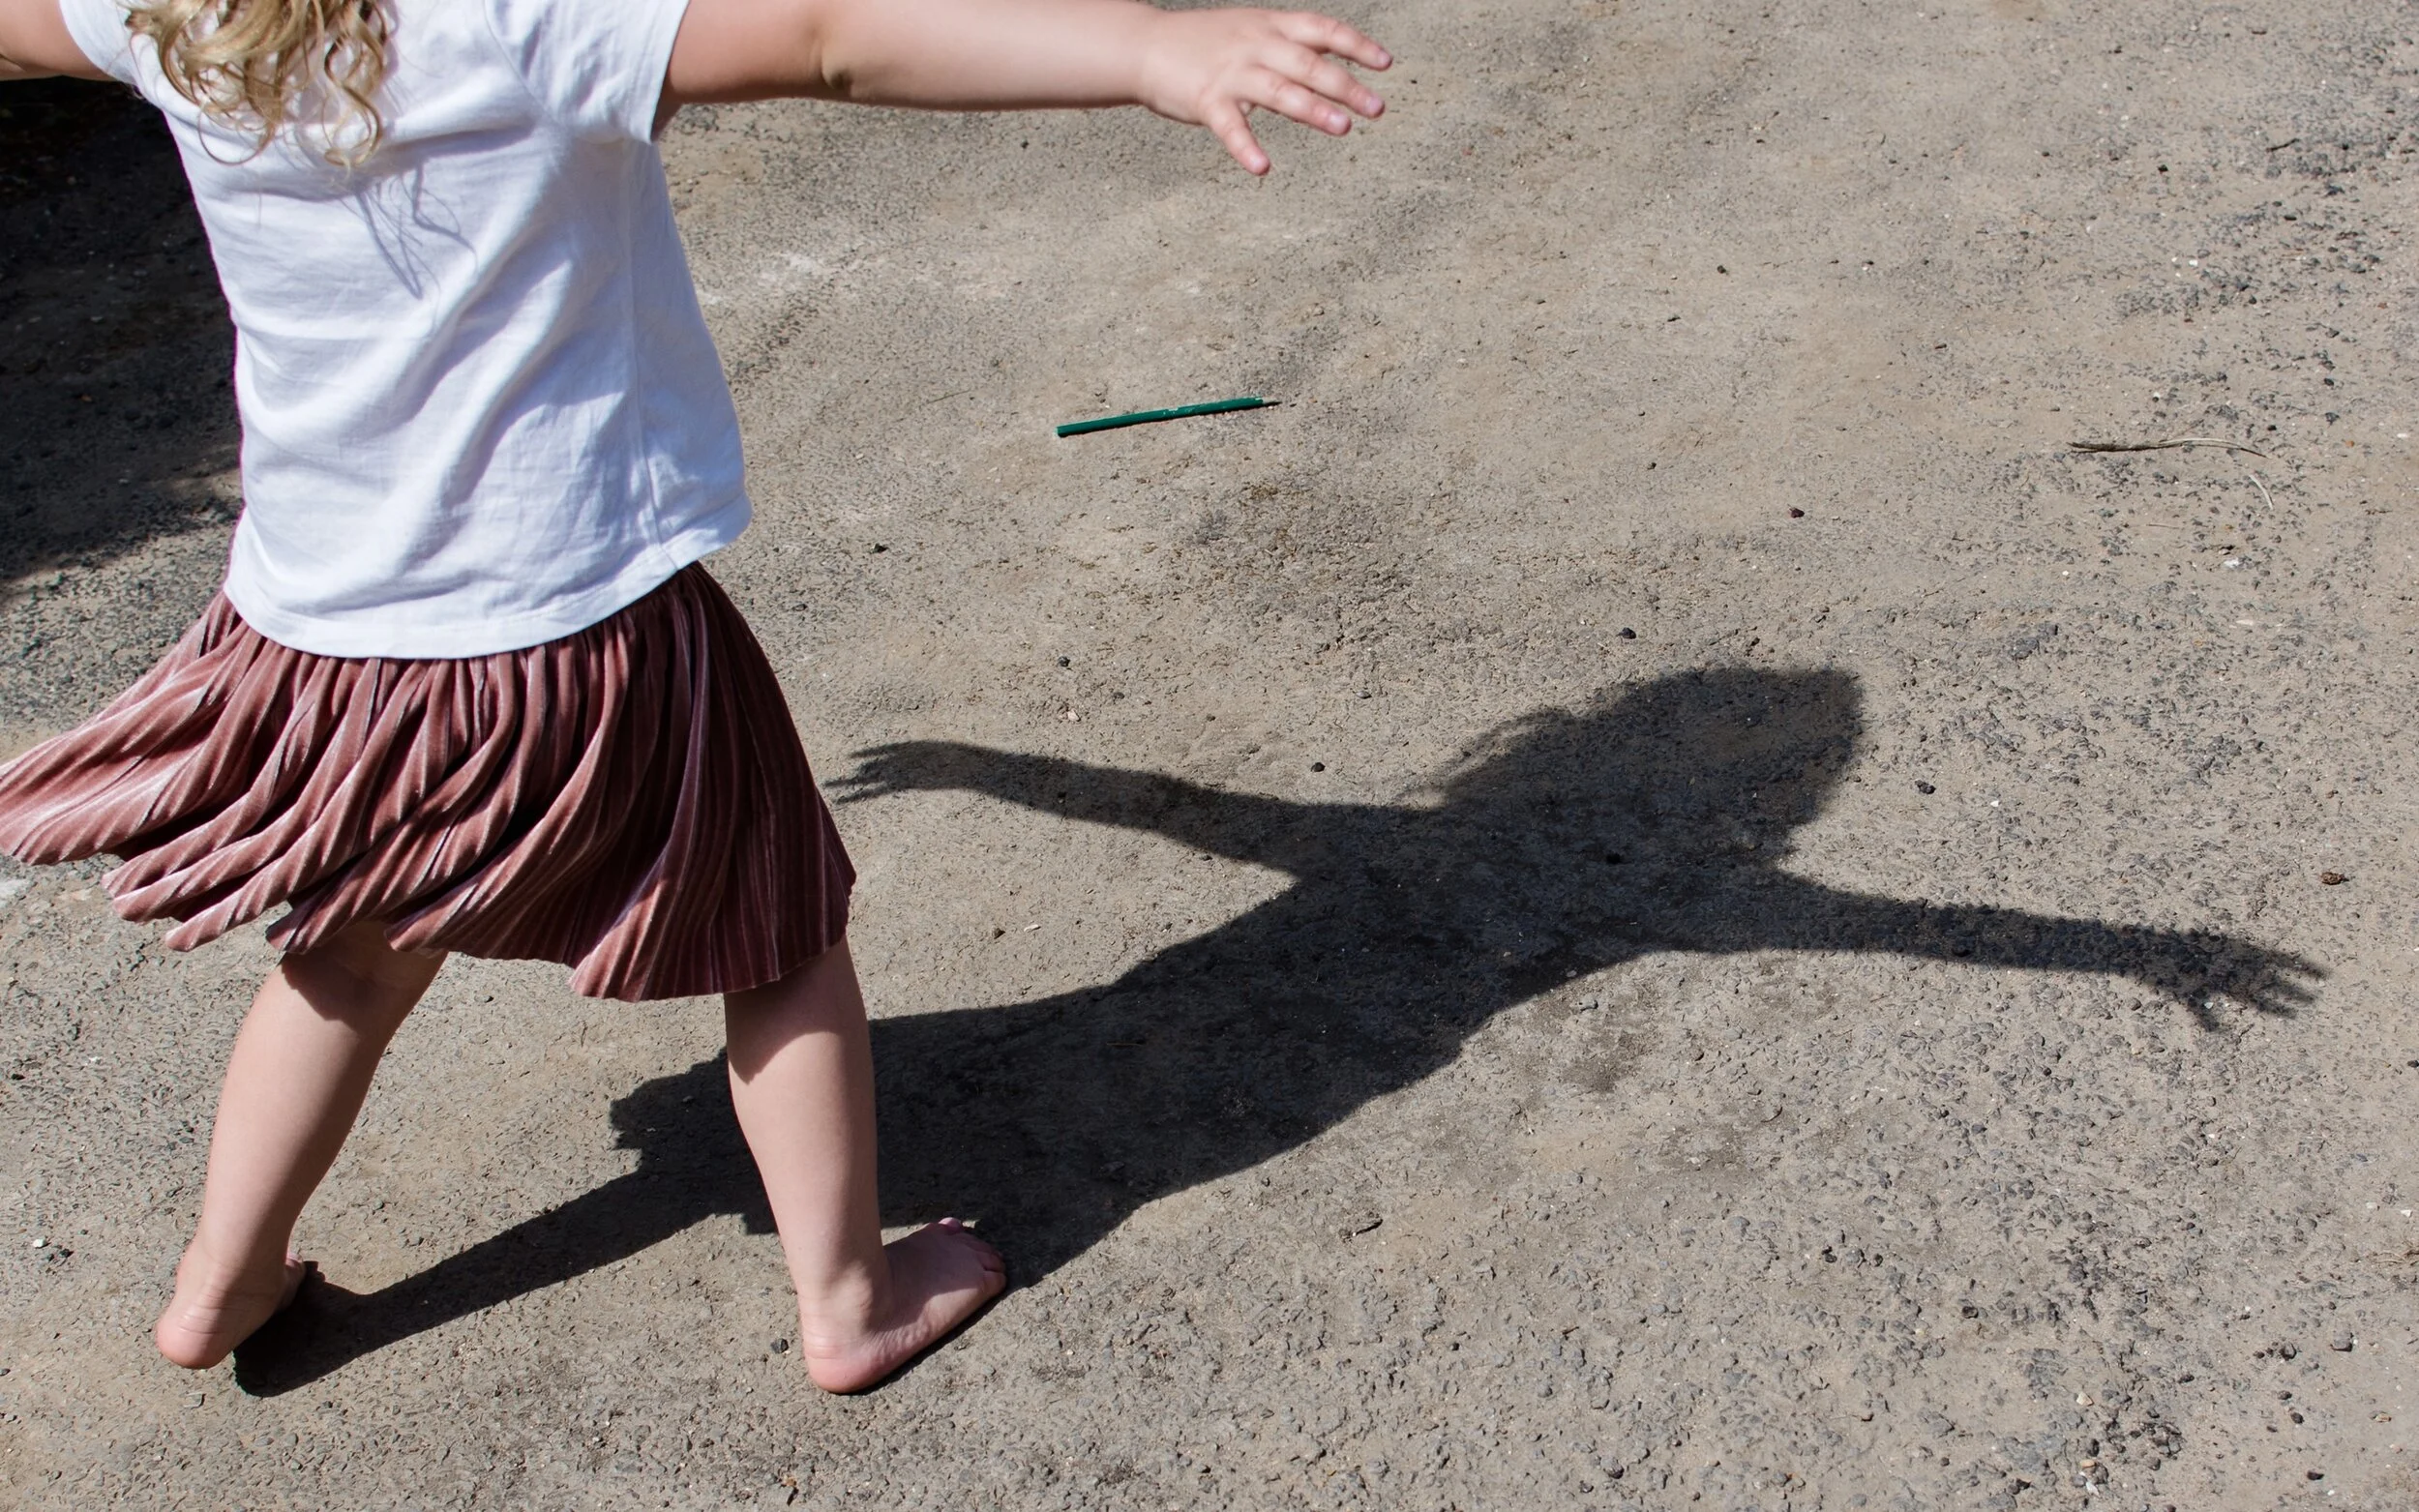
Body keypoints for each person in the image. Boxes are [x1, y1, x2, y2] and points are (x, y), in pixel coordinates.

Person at [0, 0, 1389, 1392]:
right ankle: (852, 1297)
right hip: (581, 626)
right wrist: (1149, 50)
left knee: (350, 958)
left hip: (320, 637)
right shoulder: (519, 13)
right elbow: (834, 35)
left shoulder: (172, 11)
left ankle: (218, 1281)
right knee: (775, 942)